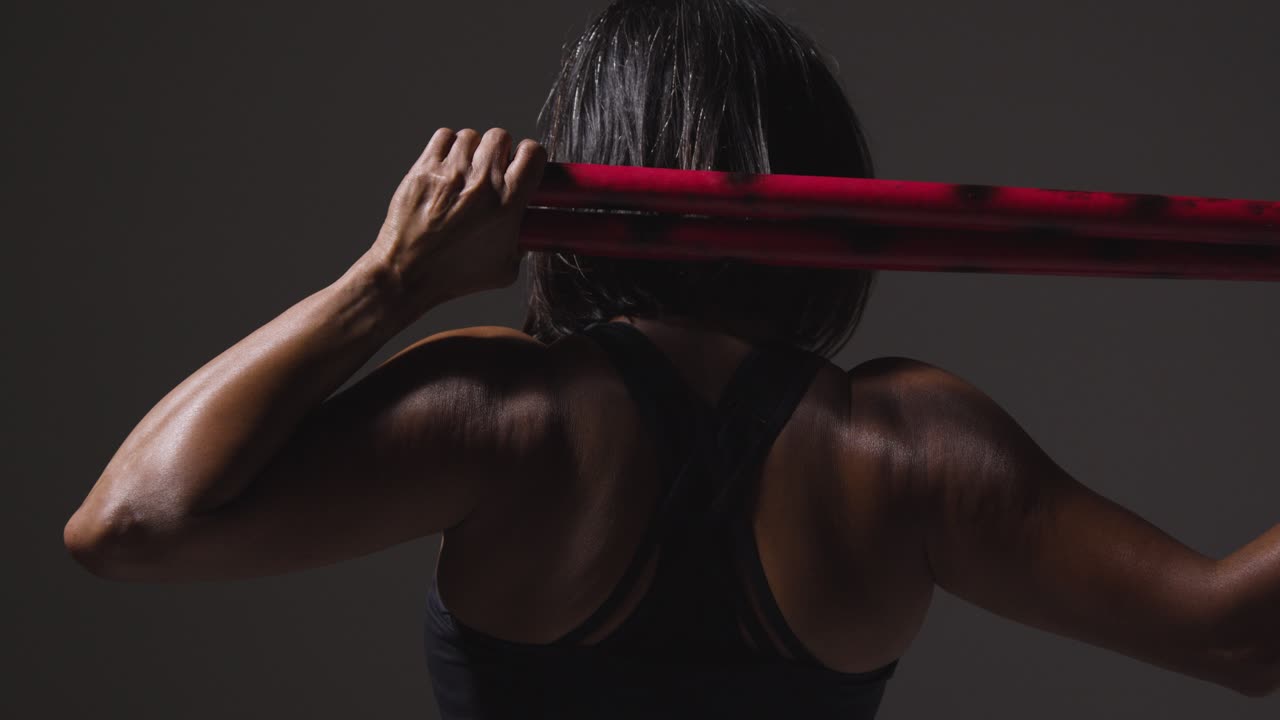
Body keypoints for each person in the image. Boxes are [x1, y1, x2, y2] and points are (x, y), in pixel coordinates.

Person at [63, 0, 1278, 718]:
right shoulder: (907, 446)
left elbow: (131, 527)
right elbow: (1235, 633)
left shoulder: (507, 414)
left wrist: (392, 280)